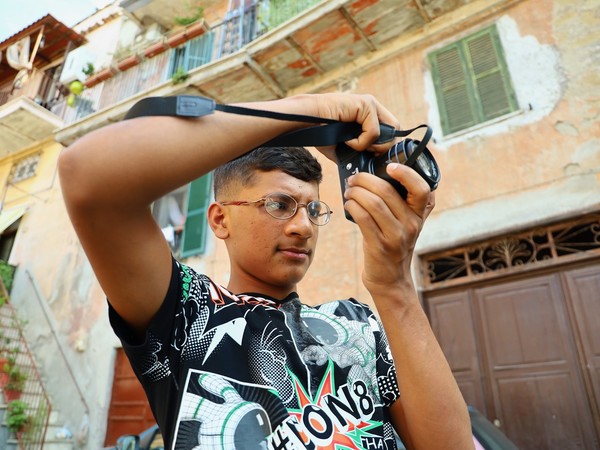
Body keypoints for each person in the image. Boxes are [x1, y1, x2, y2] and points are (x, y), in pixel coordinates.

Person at [58, 93, 474, 449]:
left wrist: (395, 285)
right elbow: (88, 175)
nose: (303, 226)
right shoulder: (186, 315)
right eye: (279, 205)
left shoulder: (356, 325)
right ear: (220, 220)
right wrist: (316, 111)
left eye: (313, 209)